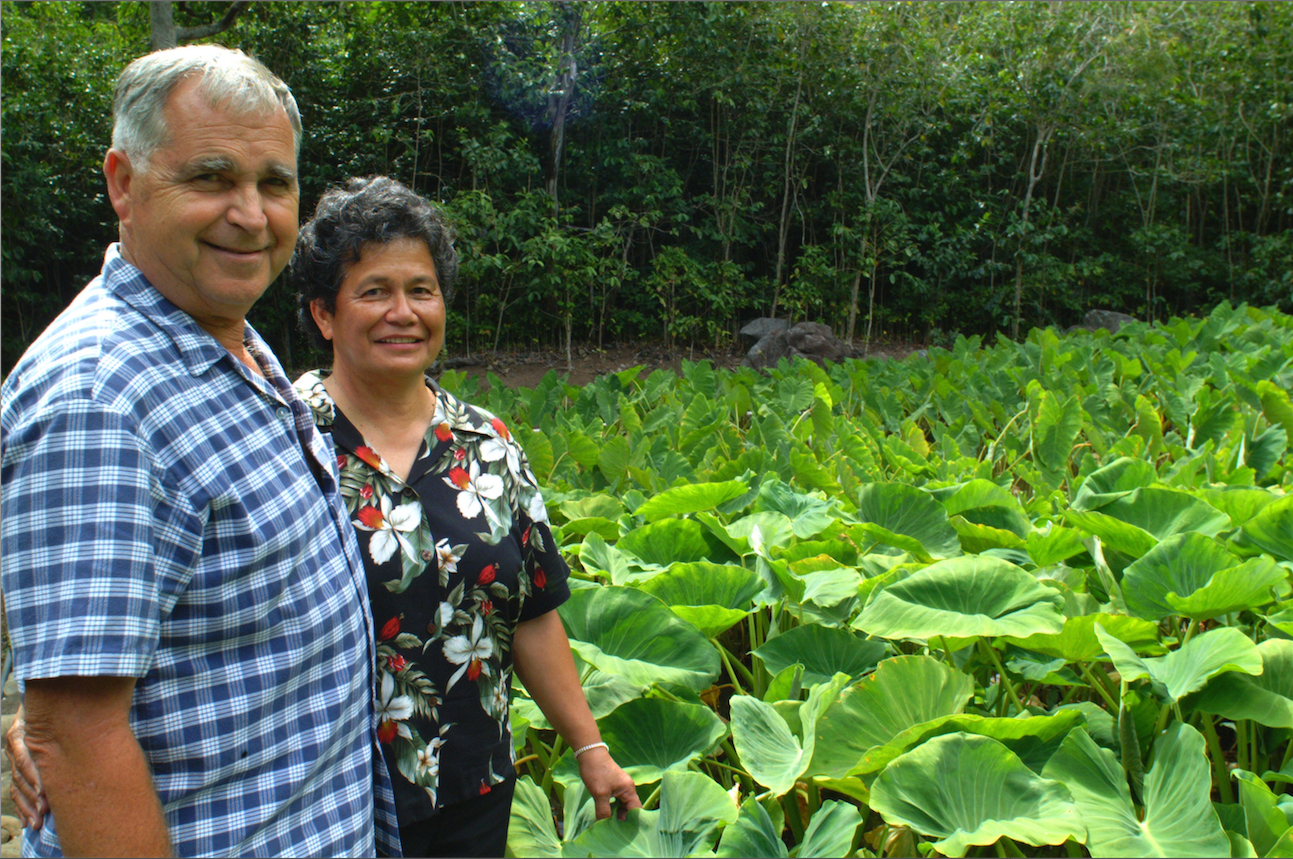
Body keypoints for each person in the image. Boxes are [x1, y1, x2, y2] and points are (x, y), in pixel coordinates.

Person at [0, 46, 398, 857]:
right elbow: (75, 734)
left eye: (274, 184)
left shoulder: (226, 342)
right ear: (123, 182)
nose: (251, 214)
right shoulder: (99, 398)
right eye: (211, 179)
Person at [289, 175, 642, 857]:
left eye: (420, 290)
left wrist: (589, 746)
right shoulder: (282, 438)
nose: (403, 311)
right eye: (373, 291)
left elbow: (533, 609)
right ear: (323, 314)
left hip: (473, 788)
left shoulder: (487, 443)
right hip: (323, 800)